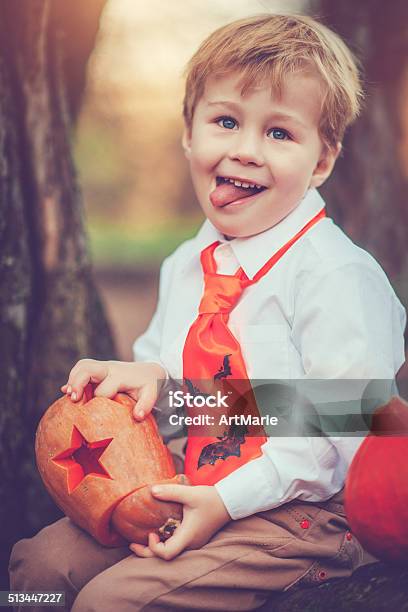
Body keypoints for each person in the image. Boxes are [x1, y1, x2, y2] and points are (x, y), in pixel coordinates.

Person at [9, 13, 406, 611]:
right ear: (190, 136)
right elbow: (189, 405)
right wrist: (151, 384)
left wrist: (224, 502)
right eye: (225, 121)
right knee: (37, 570)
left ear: (321, 162)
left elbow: (345, 430)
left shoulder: (334, 276)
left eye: (280, 133)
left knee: (113, 601)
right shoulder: (188, 265)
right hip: (195, 477)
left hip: (307, 513)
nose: (245, 150)